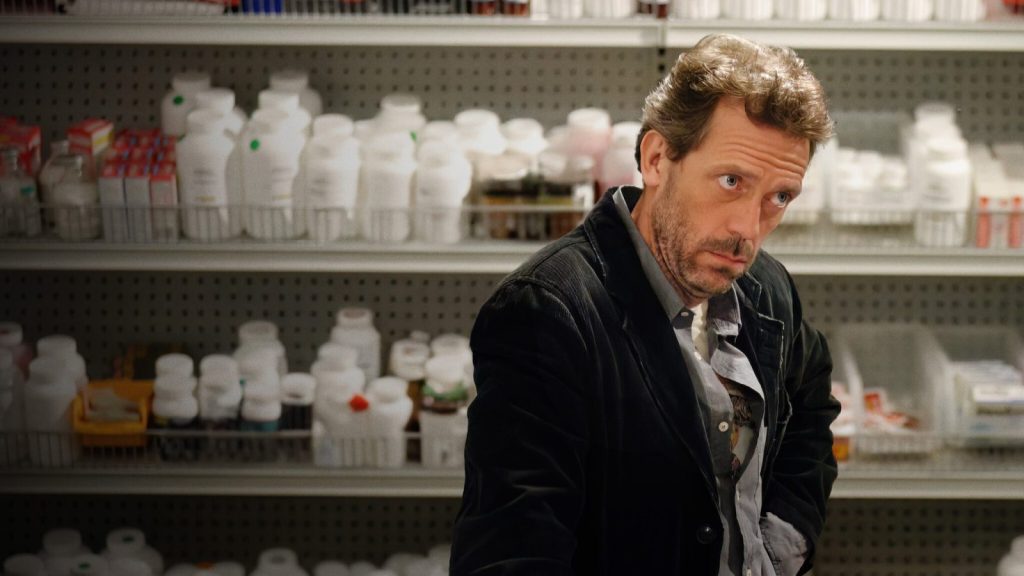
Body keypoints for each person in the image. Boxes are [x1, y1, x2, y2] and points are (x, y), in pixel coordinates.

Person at [451, 33, 840, 576]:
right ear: (657, 158)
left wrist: (779, 545)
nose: (748, 231)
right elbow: (514, 552)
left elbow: (811, 409)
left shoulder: (766, 288)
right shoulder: (548, 315)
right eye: (731, 181)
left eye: (778, 197)